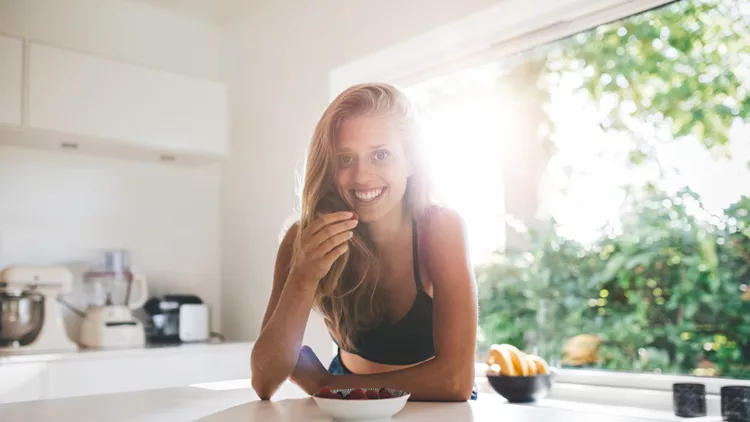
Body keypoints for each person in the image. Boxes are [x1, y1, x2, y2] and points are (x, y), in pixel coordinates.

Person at [250, 82, 478, 402]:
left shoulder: (439, 228)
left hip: (429, 402)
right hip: (343, 396)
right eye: (345, 159)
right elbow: (264, 381)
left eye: (380, 155)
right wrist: (302, 277)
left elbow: (455, 382)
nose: (362, 177)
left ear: (411, 161)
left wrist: (326, 384)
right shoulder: (301, 240)